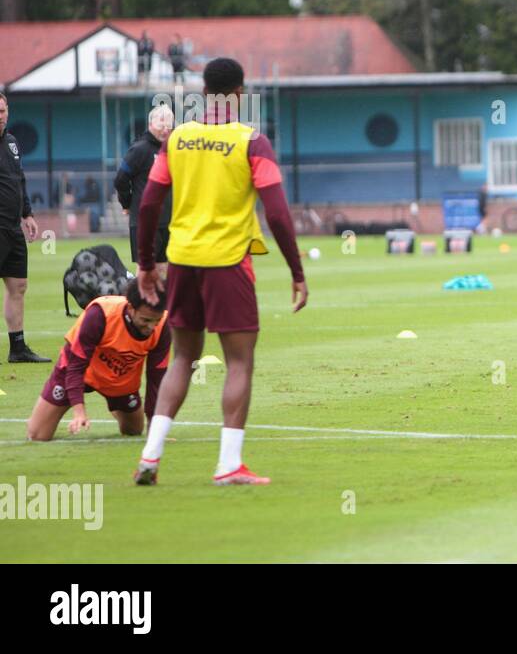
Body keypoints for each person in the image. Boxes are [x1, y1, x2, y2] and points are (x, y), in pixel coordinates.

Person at [132, 57, 308, 485]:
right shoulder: (252, 142)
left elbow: (150, 203)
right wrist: (297, 272)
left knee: (183, 359)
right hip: (228, 262)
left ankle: (150, 458)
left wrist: (146, 264)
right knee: (239, 363)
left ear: (203, 92)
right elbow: (279, 215)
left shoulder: (177, 140)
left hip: (183, 260)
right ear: (239, 94)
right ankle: (229, 464)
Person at [26, 279, 170, 441]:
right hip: (81, 371)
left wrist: (154, 428)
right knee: (37, 435)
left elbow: (156, 379)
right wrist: (79, 411)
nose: (151, 327)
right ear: (131, 308)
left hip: (119, 379)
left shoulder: (164, 325)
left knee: (134, 430)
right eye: (145, 320)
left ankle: (115, 404)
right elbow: (75, 367)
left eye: (155, 321)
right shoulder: (99, 314)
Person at [0, 91, 50, 363]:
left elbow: (18, 180)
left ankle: (17, 348)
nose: (0, 117)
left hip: (12, 226)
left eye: (3, 111)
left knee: (18, 284)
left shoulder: (12, 142)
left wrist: (27, 213)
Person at [116, 104, 174, 270]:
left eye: (169, 126)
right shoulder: (139, 149)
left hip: (169, 222)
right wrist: (126, 203)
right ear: (150, 125)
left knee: (165, 272)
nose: (165, 130)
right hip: (144, 222)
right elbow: (121, 179)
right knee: (146, 271)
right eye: (161, 125)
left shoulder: (173, 150)